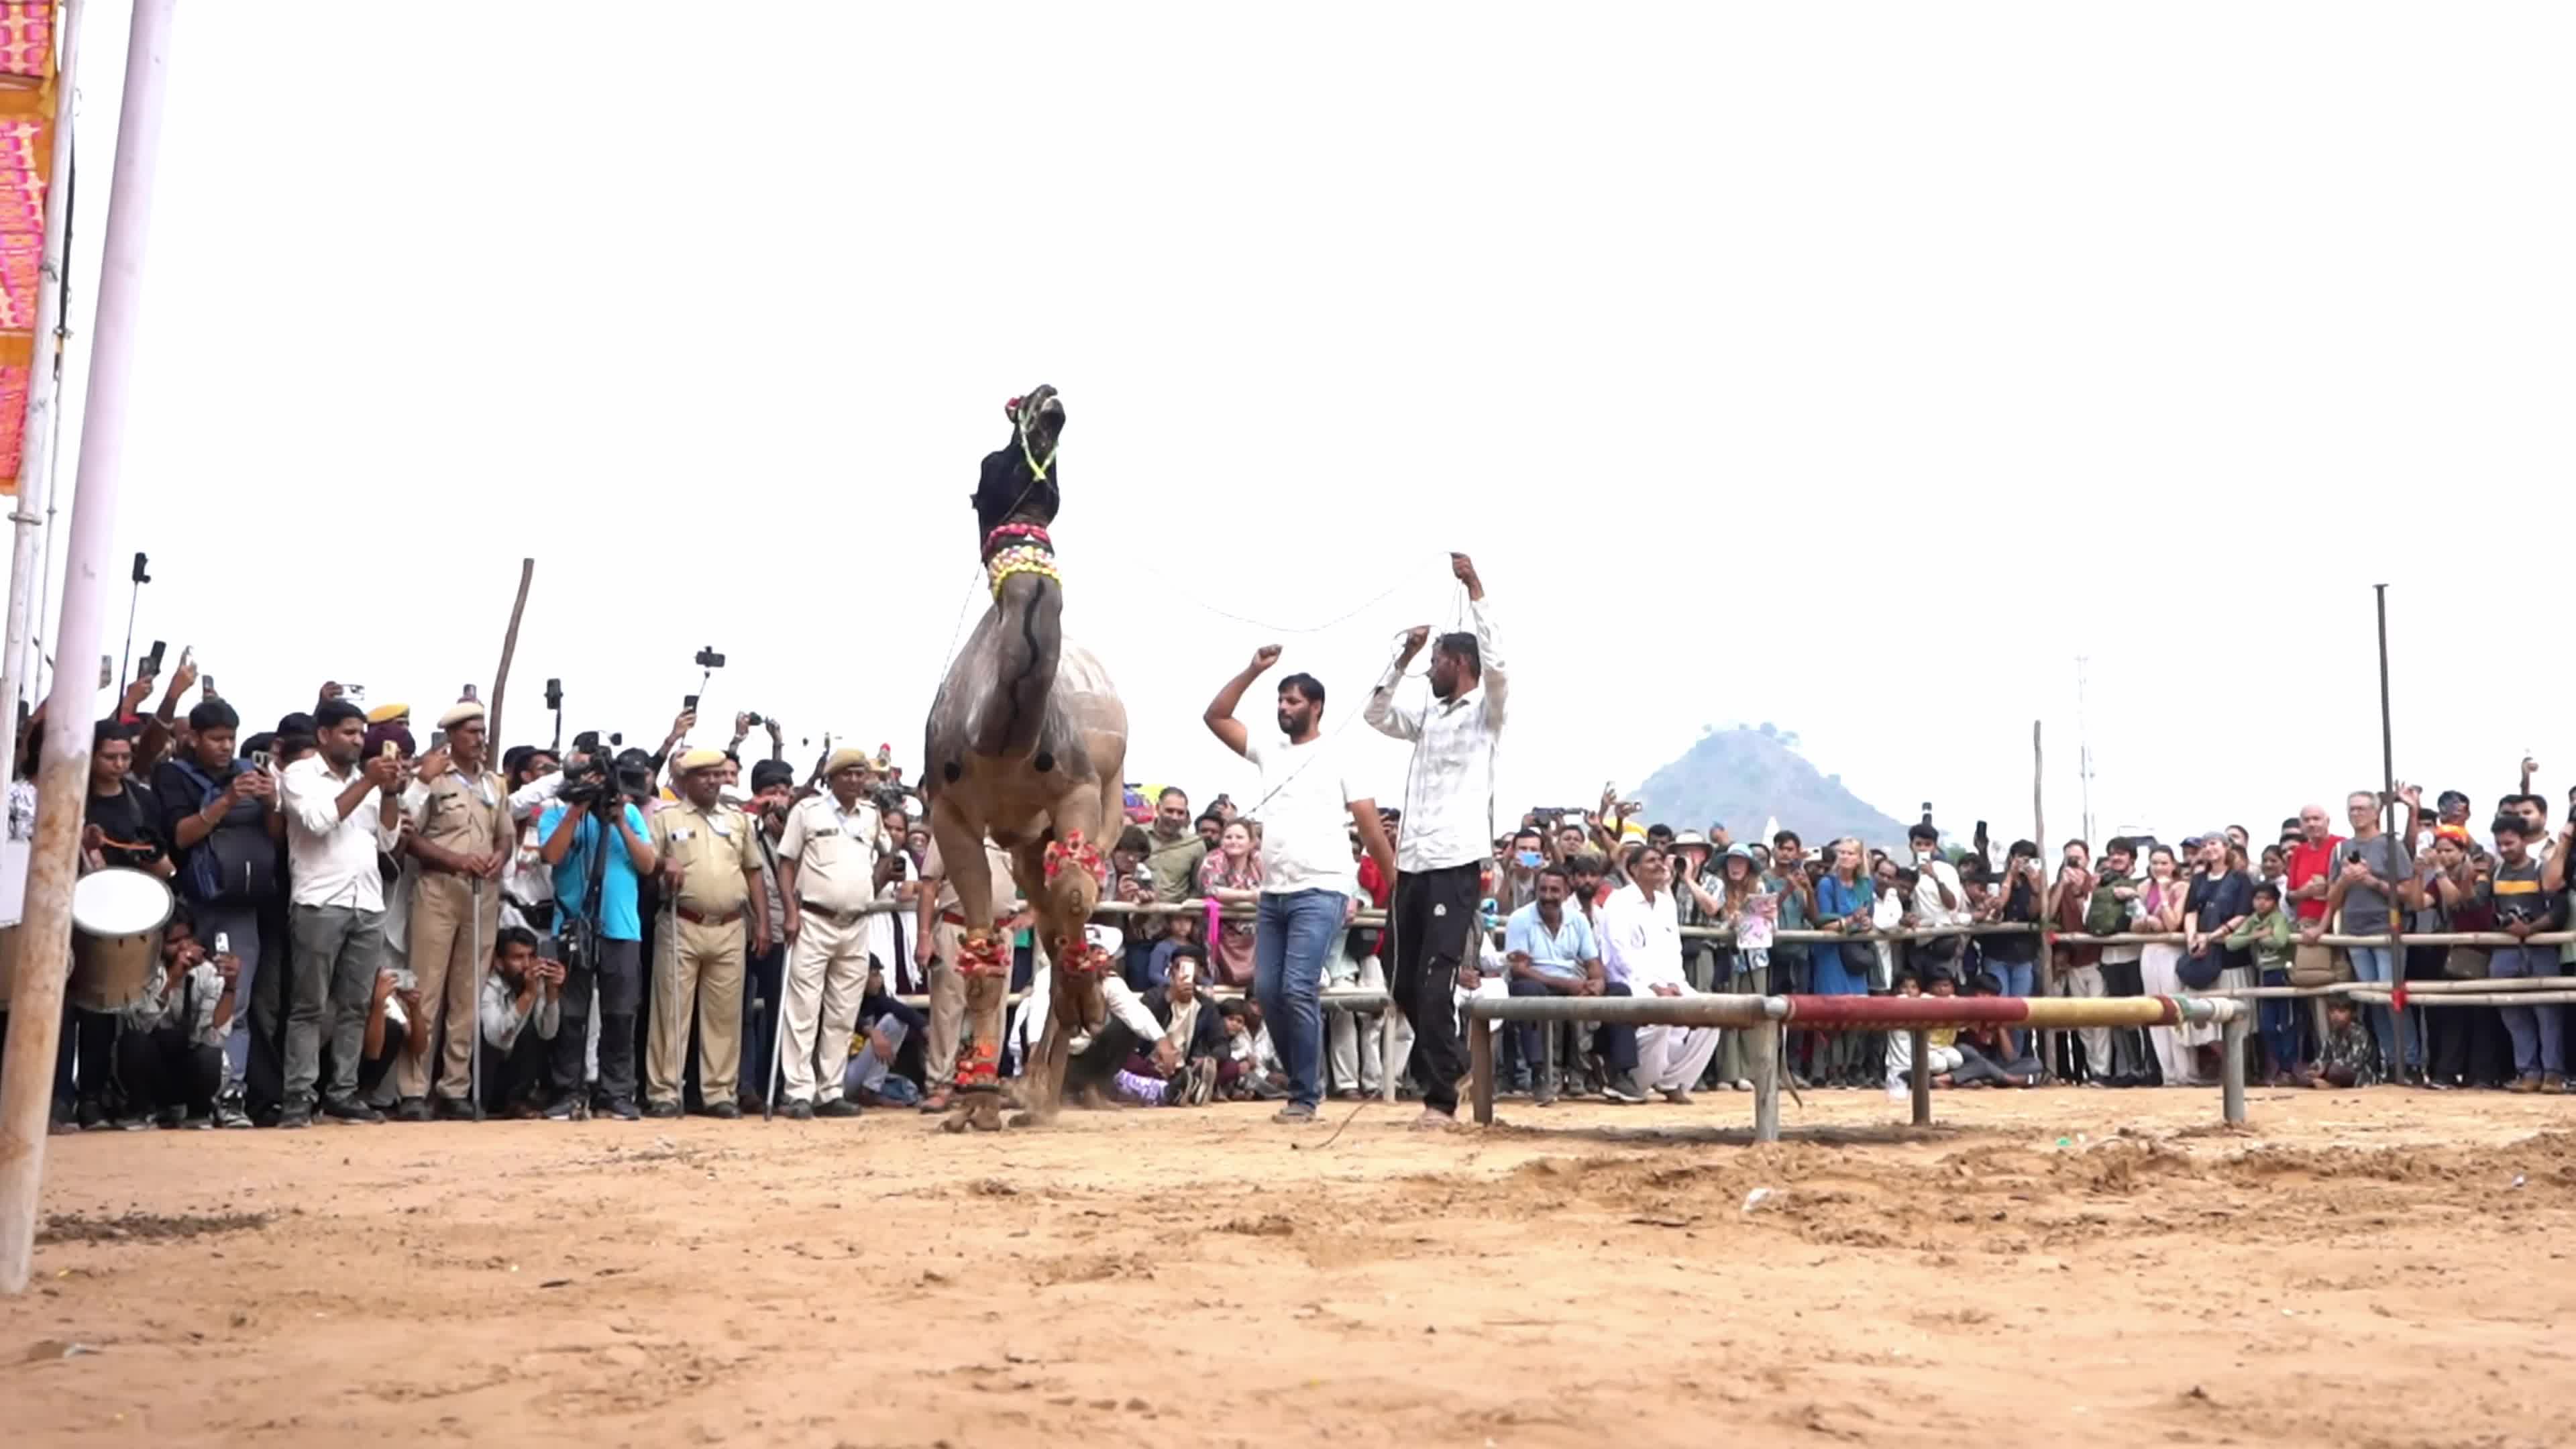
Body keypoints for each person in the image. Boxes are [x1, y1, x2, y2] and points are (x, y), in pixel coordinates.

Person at [1201, 648, 1397, 1124]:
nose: (1283, 708)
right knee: (1267, 991)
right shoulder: (1270, 748)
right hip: (1276, 893)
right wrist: (1252, 670)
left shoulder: (1342, 753)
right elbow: (1216, 715)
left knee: (1297, 988)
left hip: (1323, 888)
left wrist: (1397, 883)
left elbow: (1370, 828)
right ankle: (1303, 1081)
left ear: (1316, 707)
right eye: (1280, 700)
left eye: (1292, 701)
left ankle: (1306, 1096)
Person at [1364, 551, 1505, 1128]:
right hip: (1415, 862)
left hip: (1455, 861)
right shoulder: (1429, 714)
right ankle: (1452, 1065)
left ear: (1460, 663)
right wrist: (1402, 658)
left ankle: (1440, 1098)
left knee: (1434, 979)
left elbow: (1498, 665)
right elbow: (1376, 713)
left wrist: (1475, 587)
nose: (1432, 671)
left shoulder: (1485, 713)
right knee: (1398, 974)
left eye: (1438, 662)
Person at [153, 697, 283, 1127]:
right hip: (192, 904)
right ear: (193, 738)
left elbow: (277, 839)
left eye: (231, 738)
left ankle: (230, 1097)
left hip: (240, 904)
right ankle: (177, 1098)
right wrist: (227, 800)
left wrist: (269, 803)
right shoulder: (173, 775)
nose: (226, 748)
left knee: (236, 1001)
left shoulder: (249, 770)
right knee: (181, 1001)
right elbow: (180, 837)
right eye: (216, 739)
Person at [280, 698, 407, 1128]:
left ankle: (343, 1093)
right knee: (309, 1007)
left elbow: (388, 840)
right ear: (324, 735)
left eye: (361, 734)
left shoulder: (365, 779)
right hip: (319, 901)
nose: (358, 740)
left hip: (367, 903)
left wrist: (388, 792)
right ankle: (298, 1097)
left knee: (355, 1006)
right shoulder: (300, 774)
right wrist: (369, 782)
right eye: (349, 733)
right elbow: (318, 821)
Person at [391, 702, 513, 1122]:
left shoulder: (495, 784)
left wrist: (499, 856)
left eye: (483, 731)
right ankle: (413, 1087)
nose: (480, 739)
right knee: (425, 991)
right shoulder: (432, 780)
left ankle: (455, 1086)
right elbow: (408, 837)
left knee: (468, 994)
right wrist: (454, 860)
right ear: (452, 737)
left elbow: (506, 837)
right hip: (439, 889)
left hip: (483, 894)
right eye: (471, 732)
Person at [535, 744, 661, 1122]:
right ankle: (567, 1093)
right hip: (573, 925)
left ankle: (616, 1093)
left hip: (622, 928)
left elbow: (648, 863)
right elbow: (551, 856)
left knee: (620, 1013)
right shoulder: (555, 813)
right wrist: (576, 810)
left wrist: (621, 820)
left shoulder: (631, 813)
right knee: (572, 1014)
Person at [645, 748, 770, 1119]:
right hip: (681, 920)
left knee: (725, 1015)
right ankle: (665, 1092)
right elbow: (648, 864)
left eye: (719, 775)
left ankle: (719, 1093)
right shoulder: (666, 818)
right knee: (671, 1011)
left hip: (731, 925)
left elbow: (753, 872)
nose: (715, 781)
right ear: (686, 779)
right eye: (705, 775)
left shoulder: (737, 820)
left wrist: (762, 921)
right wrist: (662, 864)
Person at [774, 747, 898, 1120]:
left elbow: (888, 854)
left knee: (843, 1011)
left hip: (856, 923)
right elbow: (786, 863)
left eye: (861, 774)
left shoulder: (873, 816)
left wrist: (877, 881)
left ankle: (830, 1090)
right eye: (848, 774)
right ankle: (798, 1091)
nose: (856, 780)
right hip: (813, 919)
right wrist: (791, 914)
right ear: (832, 778)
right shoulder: (808, 812)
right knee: (803, 1009)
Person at [1597, 845, 1719, 1103]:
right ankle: (1637, 1083)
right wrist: (1655, 987)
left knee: (1713, 1017)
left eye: (1661, 860)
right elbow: (1620, 954)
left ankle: (1672, 1081)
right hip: (1631, 983)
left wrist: (1676, 984)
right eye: (1651, 861)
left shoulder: (1666, 903)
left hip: (1671, 982)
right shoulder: (1619, 901)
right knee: (1663, 1017)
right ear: (1634, 869)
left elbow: (1673, 950)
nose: (1660, 865)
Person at [912, 832, 1019, 1114]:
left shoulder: (1009, 831)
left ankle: (984, 1082)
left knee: (994, 1009)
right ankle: (941, 1084)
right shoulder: (950, 827)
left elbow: (1032, 876)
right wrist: (924, 935)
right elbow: (929, 886)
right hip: (957, 926)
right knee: (948, 1008)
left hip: (999, 931)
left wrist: (1030, 916)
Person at [2314, 790, 2411, 1076]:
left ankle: (2411, 1060)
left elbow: (2406, 890)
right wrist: (2345, 880)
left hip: (2385, 928)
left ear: (2375, 812)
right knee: (2371, 1002)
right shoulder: (2341, 849)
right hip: (2354, 931)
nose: (2356, 814)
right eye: (2351, 809)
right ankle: (2388, 1060)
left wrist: (2371, 881)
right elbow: (2332, 896)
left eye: (2361, 809)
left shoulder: (2391, 845)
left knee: (2392, 999)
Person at [115, 910, 235, 1128]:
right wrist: (172, 979)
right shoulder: (142, 973)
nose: (183, 947)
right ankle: (140, 1110)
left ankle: (198, 1113)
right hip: (153, 1067)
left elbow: (213, 1035)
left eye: (187, 938)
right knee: (133, 1042)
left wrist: (231, 988)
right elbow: (139, 1024)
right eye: (174, 941)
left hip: (188, 1067)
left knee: (210, 1054)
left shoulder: (207, 973)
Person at [1501, 864, 1606, 1105]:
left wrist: (1598, 982)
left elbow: (1593, 962)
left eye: (1554, 891)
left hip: (1571, 982)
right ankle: (1541, 1075)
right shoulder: (1521, 918)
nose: (1548, 896)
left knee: (1620, 992)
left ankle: (1620, 1076)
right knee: (1531, 992)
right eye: (1543, 890)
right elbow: (1519, 969)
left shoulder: (1578, 920)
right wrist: (1565, 984)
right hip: (1534, 981)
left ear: (1567, 892)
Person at [2479, 815, 2565, 1092]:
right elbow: (2476, 904)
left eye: (2509, 843)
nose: (2504, 849)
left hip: (2540, 949)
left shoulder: (2543, 869)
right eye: (2500, 844)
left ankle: (2552, 1073)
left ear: (2525, 841)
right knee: (2513, 1013)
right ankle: (2528, 1071)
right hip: (2505, 951)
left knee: (2547, 1014)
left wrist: (2529, 929)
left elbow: (2560, 910)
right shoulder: (2495, 873)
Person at [1811, 839, 1876, 1087]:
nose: (1846, 857)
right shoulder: (1828, 884)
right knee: (1830, 1012)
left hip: (1854, 953)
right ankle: (1826, 1070)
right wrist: (1850, 921)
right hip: (1831, 954)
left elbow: (1869, 916)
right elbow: (1823, 921)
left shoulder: (1865, 885)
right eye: (1842, 853)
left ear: (1860, 859)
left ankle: (1850, 1067)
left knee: (1856, 1012)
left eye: (1851, 853)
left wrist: (1866, 923)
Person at [478, 926, 563, 1115]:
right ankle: (487, 1104)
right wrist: (528, 995)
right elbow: (496, 1037)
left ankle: (517, 1101)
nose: (526, 965)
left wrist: (551, 991)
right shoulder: (490, 985)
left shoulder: (534, 981)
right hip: (487, 1075)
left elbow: (548, 1032)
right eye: (518, 958)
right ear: (499, 962)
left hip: (514, 1071)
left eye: (531, 957)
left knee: (534, 1032)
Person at [2226, 881, 2301, 1084]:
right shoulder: (2254, 920)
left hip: (2282, 973)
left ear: (2275, 902)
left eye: (2266, 899)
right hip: (2264, 974)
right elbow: (2231, 943)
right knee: (2268, 1025)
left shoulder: (2278, 918)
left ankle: (2289, 1069)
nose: (2261, 903)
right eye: (2258, 898)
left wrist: (2258, 938)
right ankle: (2278, 1068)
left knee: (2286, 1023)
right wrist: (2257, 935)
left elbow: (2280, 941)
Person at [2133, 845, 2193, 1087]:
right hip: (2149, 950)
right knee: (2154, 1008)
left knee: (2174, 1007)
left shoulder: (2182, 887)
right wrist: (2147, 920)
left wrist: (2165, 898)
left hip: (2171, 951)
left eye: (2164, 863)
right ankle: (2168, 1073)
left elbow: (2172, 924)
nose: (2159, 868)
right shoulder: (2143, 888)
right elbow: (2135, 925)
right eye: (2155, 863)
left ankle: (2185, 1072)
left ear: (2173, 865)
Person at [1194, 819, 1263, 989]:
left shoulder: (1258, 860)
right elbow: (1212, 890)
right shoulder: (1214, 859)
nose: (1233, 841)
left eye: (1240, 837)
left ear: (1251, 842)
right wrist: (1250, 896)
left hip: (1255, 936)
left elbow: (1271, 889)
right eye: (1228, 837)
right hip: (1221, 935)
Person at [1140, 787, 1208, 904]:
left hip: (1174, 916)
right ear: (1157, 808)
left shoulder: (1195, 845)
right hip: (1135, 913)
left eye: (1180, 813)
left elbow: (1198, 887)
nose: (1175, 817)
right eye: (1169, 811)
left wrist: (1186, 913)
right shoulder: (1138, 834)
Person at [2308, 998, 2383, 1089]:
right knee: (2299, 1068)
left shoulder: (2359, 1033)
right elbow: (2323, 1058)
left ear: (2353, 1013)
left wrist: (2325, 1068)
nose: (2335, 1016)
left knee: (2334, 1071)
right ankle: (2322, 1082)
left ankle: (2329, 1084)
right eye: (2332, 1011)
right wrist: (2316, 1067)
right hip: (2331, 1070)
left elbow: (2355, 1064)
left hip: (2360, 1075)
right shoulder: (2333, 1034)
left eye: (2341, 1011)